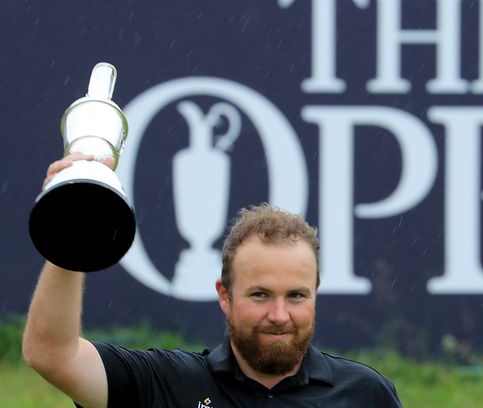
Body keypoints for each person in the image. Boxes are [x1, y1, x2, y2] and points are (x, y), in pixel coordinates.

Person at [23, 153, 402, 408]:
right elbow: (53, 354)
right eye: (260, 294)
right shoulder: (165, 384)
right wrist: (70, 222)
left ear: (315, 295)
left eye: (296, 296)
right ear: (225, 295)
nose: (279, 314)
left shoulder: (366, 394)